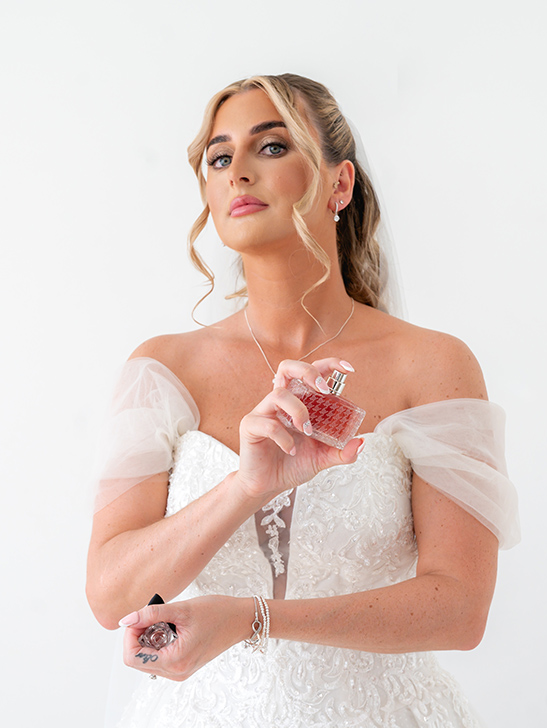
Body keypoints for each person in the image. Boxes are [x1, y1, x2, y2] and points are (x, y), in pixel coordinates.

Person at [86, 73, 520, 728]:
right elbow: (110, 594)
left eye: (271, 146)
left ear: (339, 184)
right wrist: (246, 485)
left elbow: (460, 610)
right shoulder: (163, 369)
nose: (238, 174)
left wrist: (253, 621)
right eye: (220, 157)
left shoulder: (432, 366)